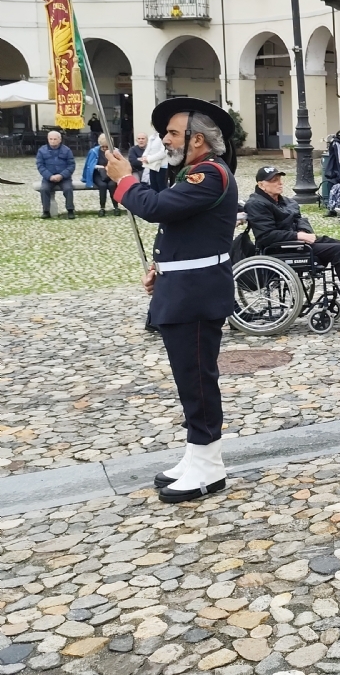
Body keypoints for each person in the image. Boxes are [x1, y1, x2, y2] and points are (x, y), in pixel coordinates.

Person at [104, 98, 239, 503]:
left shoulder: (211, 174)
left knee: (198, 381)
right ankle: (197, 454)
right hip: (183, 290)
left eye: (174, 133)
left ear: (198, 140)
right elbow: (180, 232)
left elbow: (156, 208)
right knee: (189, 379)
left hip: (195, 296)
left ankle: (209, 467)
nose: (166, 139)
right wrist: (163, 270)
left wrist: (125, 179)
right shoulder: (194, 173)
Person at [244, 166, 340, 318]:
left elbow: (299, 219)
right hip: (282, 248)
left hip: (299, 242)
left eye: (279, 179)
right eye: (274, 181)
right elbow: (267, 236)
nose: (280, 183)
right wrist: (298, 236)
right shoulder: (256, 204)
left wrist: (304, 233)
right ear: (261, 185)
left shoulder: (284, 201)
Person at [36, 130, 76, 220]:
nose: (53, 141)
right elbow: (40, 165)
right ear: (48, 139)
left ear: (60, 140)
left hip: (64, 178)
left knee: (68, 189)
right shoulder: (42, 151)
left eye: (55, 139)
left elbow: (71, 165)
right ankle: (46, 211)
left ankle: (70, 210)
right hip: (48, 178)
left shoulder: (67, 150)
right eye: (51, 139)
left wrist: (61, 175)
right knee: (44, 189)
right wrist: (49, 176)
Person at [84, 134, 122, 216]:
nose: (104, 149)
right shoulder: (94, 151)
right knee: (102, 185)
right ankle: (102, 208)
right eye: (103, 147)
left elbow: (120, 163)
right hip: (98, 174)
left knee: (112, 185)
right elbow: (89, 165)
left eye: (106, 147)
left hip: (112, 173)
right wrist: (100, 167)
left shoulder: (115, 151)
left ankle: (116, 207)